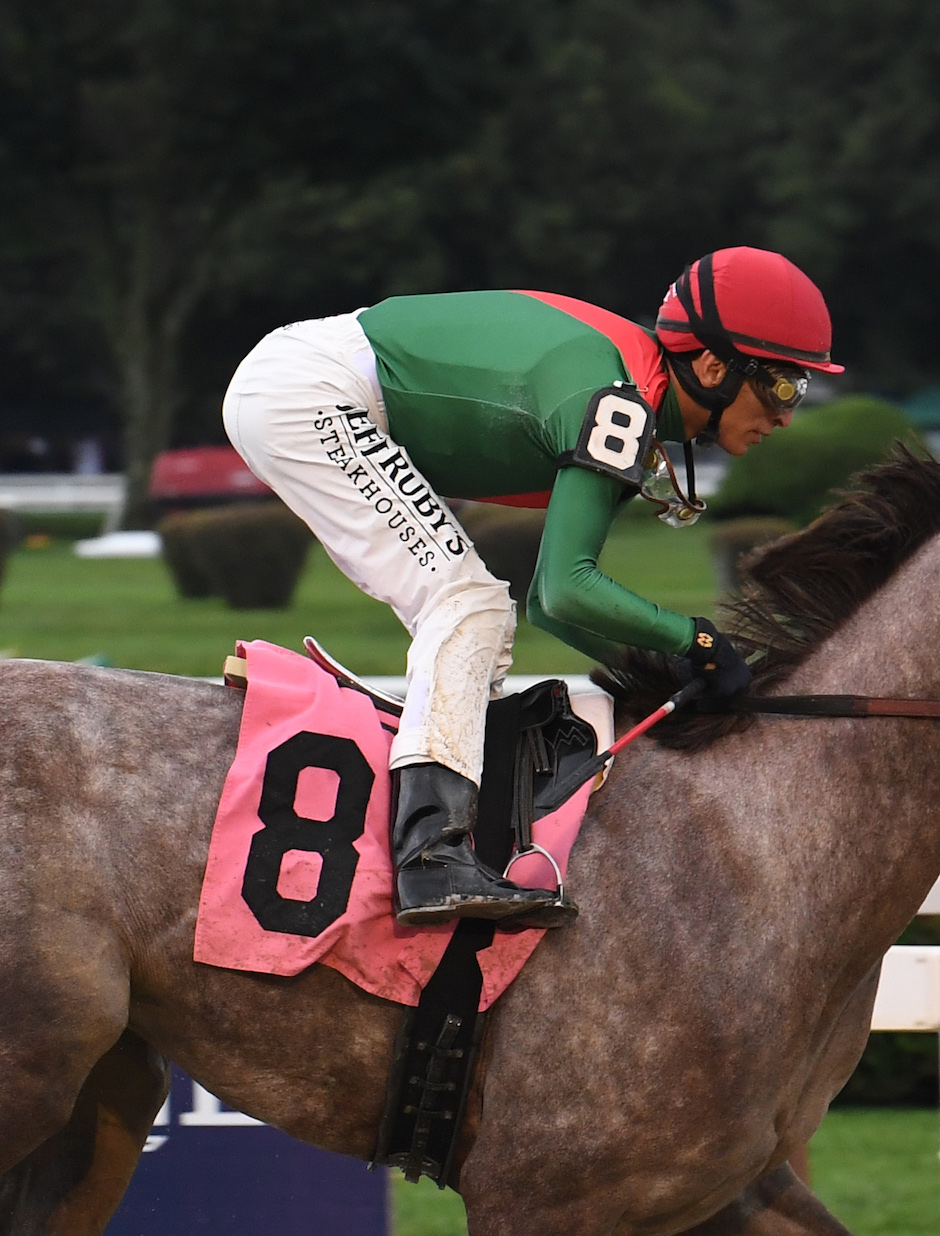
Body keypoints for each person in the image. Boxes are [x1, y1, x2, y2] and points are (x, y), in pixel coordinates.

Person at [221, 248, 842, 929]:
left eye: (800, 390)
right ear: (716, 366)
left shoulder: (636, 395)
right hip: (311, 389)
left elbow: (550, 600)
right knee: (467, 604)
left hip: (306, 380)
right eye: (783, 386)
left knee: (483, 622)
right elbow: (572, 588)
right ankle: (429, 853)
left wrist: (664, 672)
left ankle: (462, 829)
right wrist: (691, 640)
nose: (786, 415)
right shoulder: (621, 403)